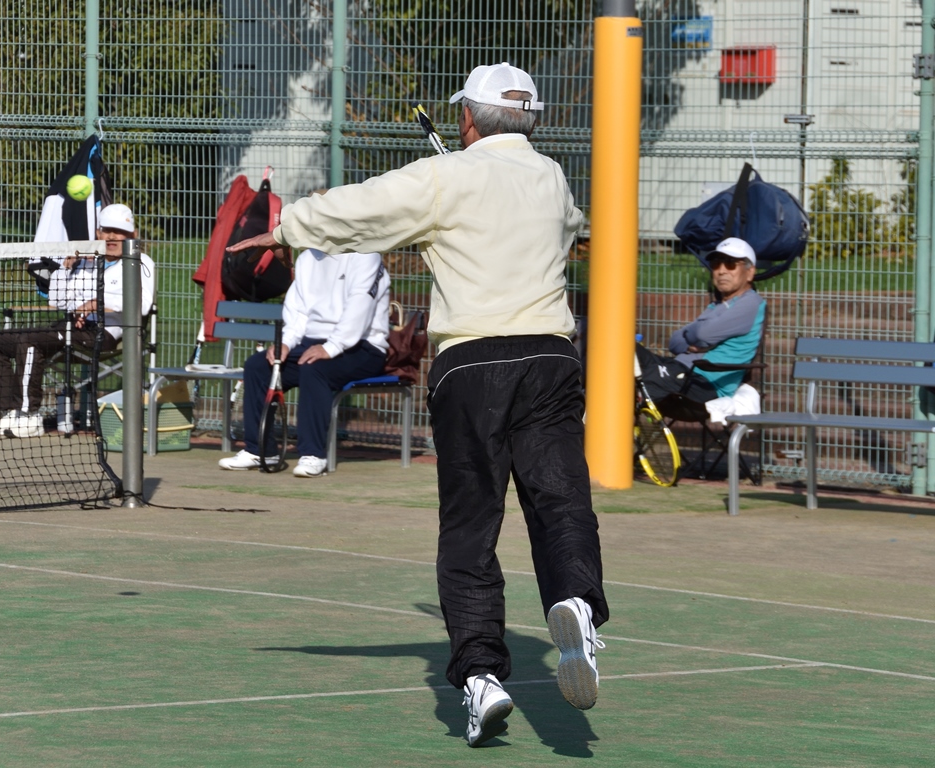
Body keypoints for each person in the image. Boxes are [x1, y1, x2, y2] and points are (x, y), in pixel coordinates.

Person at [227, 62, 607, 746]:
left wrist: (287, 228)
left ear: (467, 119)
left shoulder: (444, 177)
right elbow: (573, 224)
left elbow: (363, 208)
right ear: (529, 119)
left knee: (470, 525)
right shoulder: (552, 179)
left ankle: (481, 676)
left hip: (473, 365)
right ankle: (576, 601)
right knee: (560, 500)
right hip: (551, 359)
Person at [0, 203, 155, 437]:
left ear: (133, 235)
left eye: (119, 231)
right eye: (107, 230)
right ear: (98, 233)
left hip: (106, 334)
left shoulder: (141, 262)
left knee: (31, 341)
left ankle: (29, 415)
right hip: (71, 329)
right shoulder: (86, 260)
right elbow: (58, 300)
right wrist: (66, 266)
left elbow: (142, 304)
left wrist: (96, 304)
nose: (112, 236)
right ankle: (10, 412)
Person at [217, 246, 390, 478]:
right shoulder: (307, 258)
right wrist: (286, 344)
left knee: (314, 369)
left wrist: (331, 347)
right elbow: (299, 313)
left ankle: (313, 454)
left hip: (364, 347)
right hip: (313, 344)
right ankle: (260, 451)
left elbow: (360, 308)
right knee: (258, 367)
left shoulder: (367, 256)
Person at [636, 236, 765, 404]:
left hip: (703, 383)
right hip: (681, 371)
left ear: (750, 272)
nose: (721, 270)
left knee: (631, 381)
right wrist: (693, 343)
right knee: (625, 348)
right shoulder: (717, 305)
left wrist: (694, 334)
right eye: (716, 264)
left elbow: (703, 334)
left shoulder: (751, 303)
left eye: (730, 264)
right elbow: (675, 341)